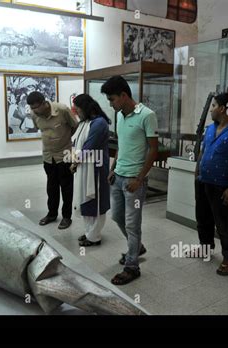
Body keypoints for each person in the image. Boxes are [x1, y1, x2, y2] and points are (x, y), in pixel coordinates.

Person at [101, 75, 159, 285]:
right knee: (117, 216)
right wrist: (113, 167)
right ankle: (138, 247)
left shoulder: (147, 115)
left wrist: (140, 178)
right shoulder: (119, 116)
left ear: (124, 95)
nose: (110, 103)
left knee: (133, 225)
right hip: (118, 177)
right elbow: (122, 145)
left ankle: (132, 266)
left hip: (134, 181)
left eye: (112, 99)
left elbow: (154, 150)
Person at [194, 92, 228, 276]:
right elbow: (203, 151)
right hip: (203, 182)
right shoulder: (210, 128)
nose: (211, 109)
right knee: (203, 218)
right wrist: (197, 170)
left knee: (224, 223)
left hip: (222, 186)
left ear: (223, 108)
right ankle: (205, 248)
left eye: (214, 105)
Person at [27, 91, 78, 230]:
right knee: (51, 187)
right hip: (48, 156)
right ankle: (52, 214)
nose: (34, 111)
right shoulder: (34, 115)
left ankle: (67, 217)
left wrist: (65, 139)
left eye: (36, 107)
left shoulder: (62, 110)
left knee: (66, 187)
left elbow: (75, 125)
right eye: (32, 108)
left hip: (65, 155)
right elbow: (39, 128)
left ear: (44, 103)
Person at [70, 94, 111, 247]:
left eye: (78, 109)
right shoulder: (86, 122)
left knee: (97, 201)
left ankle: (95, 236)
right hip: (85, 166)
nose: (77, 112)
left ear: (86, 108)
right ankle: (89, 232)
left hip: (96, 168)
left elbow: (89, 146)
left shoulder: (99, 123)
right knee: (86, 201)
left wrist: (75, 162)